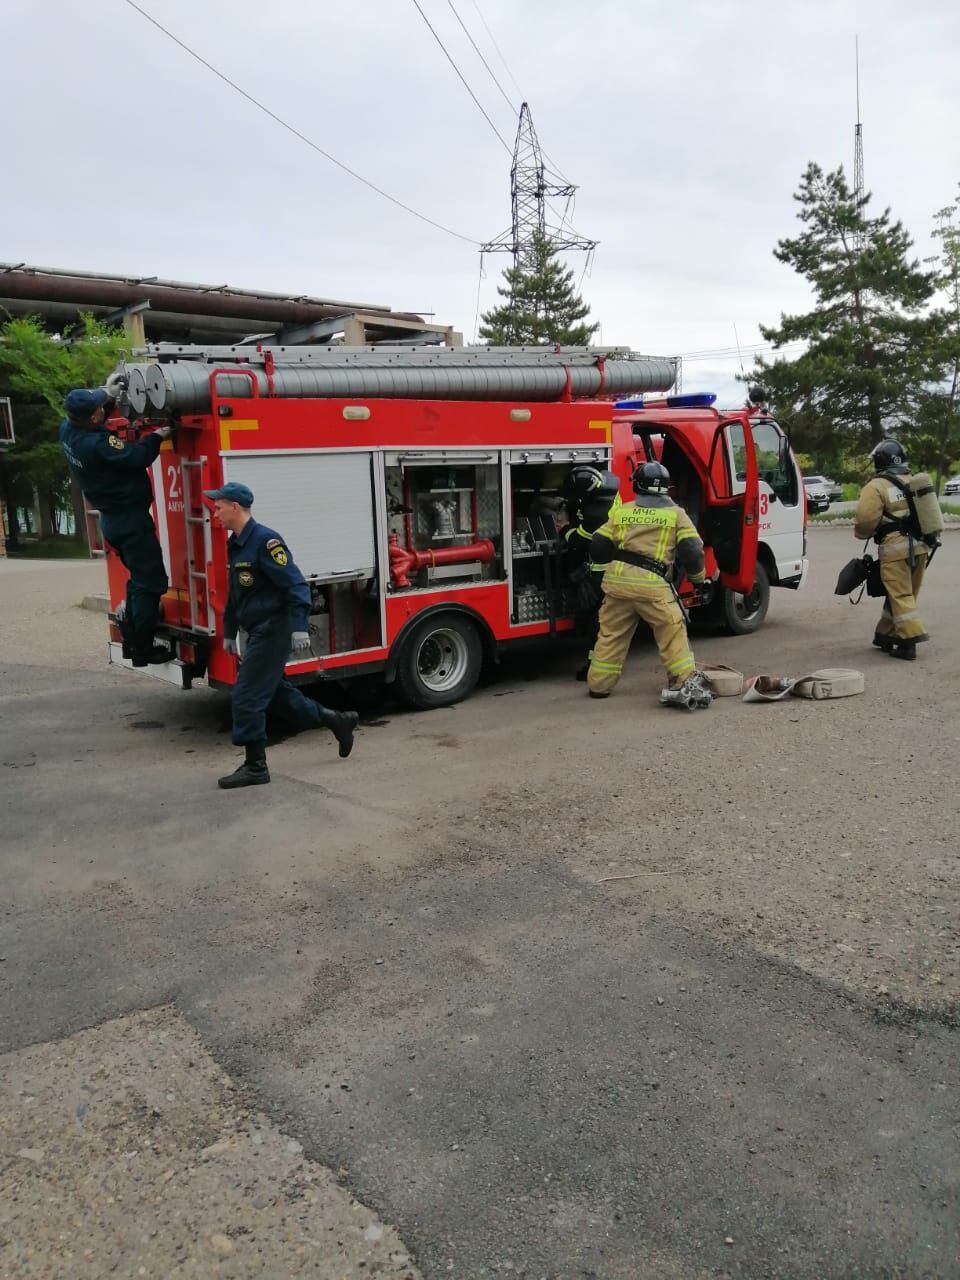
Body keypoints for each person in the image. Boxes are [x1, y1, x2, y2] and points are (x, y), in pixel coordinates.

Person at [205, 482, 359, 789]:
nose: (215, 512)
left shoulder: (266, 541)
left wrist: (300, 624)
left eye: (219, 506)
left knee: (247, 695)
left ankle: (255, 766)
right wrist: (230, 630)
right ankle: (336, 720)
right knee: (276, 694)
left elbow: (296, 585)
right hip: (256, 628)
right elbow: (237, 593)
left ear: (236, 507)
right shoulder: (236, 543)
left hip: (274, 629)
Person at [59, 378, 171, 666]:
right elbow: (136, 457)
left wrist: (107, 395)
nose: (102, 408)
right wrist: (158, 435)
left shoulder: (68, 430)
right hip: (131, 522)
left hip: (113, 521)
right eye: (100, 406)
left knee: (139, 579)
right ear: (94, 416)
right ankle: (143, 649)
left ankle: (133, 640)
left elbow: (95, 419)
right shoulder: (98, 444)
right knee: (151, 583)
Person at [586, 460, 712, 708]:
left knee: (611, 635)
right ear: (667, 488)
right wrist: (698, 579)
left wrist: (602, 570)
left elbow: (598, 543)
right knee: (671, 631)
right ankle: (683, 682)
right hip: (652, 587)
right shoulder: (676, 514)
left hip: (617, 585)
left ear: (638, 486)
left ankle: (599, 686)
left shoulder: (623, 512)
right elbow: (694, 550)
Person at [853, 438, 929, 661]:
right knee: (904, 594)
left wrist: (861, 533)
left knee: (900, 594)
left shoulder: (876, 486)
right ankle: (885, 634)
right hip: (921, 546)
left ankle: (908, 643)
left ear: (880, 461)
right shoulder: (914, 481)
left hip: (895, 550)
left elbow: (865, 521)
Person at [560, 465, 621, 680]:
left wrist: (563, 527)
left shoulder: (595, 514)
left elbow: (577, 542)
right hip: (618, 566)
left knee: (597, 622)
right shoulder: (611, 484)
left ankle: (595, 666)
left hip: (602, 573)